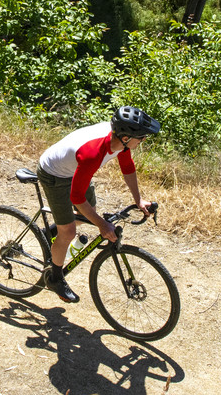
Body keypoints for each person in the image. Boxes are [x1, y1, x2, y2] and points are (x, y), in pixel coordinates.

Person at [34, 106, 160, 304]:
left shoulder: (120, 143)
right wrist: (102, 225)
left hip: (74, 170)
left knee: (86, 214)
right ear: (126, 137)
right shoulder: (93, 152)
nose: (144, 140)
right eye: (142, 137)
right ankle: (55, 278)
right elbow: (77, 198)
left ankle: (48, 232)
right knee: (68, 232)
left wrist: (139, 200)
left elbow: (127, 168)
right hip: (54, 174)